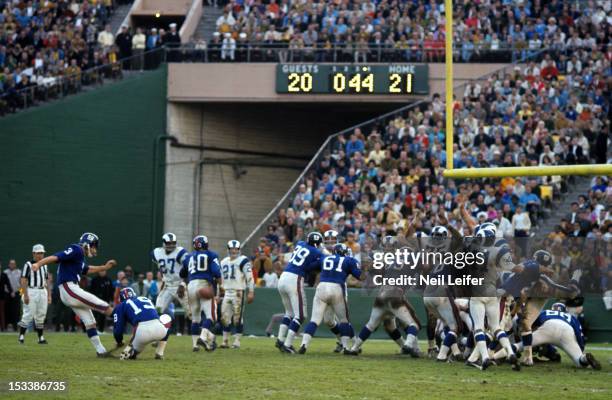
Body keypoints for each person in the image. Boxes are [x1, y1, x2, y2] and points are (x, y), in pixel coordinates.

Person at [31, 233, 116, 357]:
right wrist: (39, 264)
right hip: (69, 288)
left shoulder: (79, 256)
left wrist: (104, 267)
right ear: (88, 244)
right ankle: (133, 323)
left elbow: (86, 270)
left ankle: (101, 351)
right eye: (94, 246)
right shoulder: (76, 249)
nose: (95, 249)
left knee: (90, 321)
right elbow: (56, 257)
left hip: (69, 289)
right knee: (103, 306)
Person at [296, 244, 362, 354]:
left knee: (315, 320)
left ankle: (304, 345)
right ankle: (345, 348)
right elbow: (359, 276)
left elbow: (309, 267)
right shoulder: (349, 260)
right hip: (337, 287)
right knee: (344, 321)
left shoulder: (324, 258)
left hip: (322, 287)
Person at [277, 231, 323, 352]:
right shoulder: (316, 251)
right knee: (301, 315)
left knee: (289, 313)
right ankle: (287, 344)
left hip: (283, 276)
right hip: (294, 278)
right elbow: (320, 262)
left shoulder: (300, 243)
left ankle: (280, 339)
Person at [182, 235, 222, 352]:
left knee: (195, 318)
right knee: (211, 316)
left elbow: (182, 274)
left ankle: (195, 345)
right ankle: (203, 337)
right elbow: (216, 272)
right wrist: (221, 286)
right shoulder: (211, 255)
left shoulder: (188, 257)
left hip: (190, 286)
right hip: (204, 284)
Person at [113, 287, 171, 360]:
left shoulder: (121, 306)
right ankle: (159, 353)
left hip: (142, 333)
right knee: (167, 322)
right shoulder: (144, 298)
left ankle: (131, 352)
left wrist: (119, 341)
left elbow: (118, 329)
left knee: (132, 354)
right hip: (159, 329)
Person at [219, 240, 255, 349]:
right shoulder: (224, 261)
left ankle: (237, 341)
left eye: (236, 249)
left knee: (237, 318)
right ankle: (225, 341)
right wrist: (219, 291)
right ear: (228, 250)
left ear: (239, 250)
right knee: (225, 317)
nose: (234, 251)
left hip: (239, 291)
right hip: (227, 291)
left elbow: (249, 277)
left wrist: (251, 291)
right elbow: (220, 278)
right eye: (232, 249)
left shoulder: (243, 260)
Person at [151, 233, 190, 319]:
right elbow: (162, 268)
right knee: (158, 310)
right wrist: (164, 280)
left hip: (180, 284)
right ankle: (159, 331)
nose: (171, 245)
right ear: (164, 243)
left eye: (173, 243)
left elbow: (188, 269)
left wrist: (183, 284)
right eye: (169, 243)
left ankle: (201, 331)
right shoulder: (157, 253)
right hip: (168, 286)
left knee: (191, 312)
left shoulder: (180, 252)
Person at [18, 244, 50, 344]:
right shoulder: (28, 264)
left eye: (42, 253)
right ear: (33, 253)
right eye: (38, 253)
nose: (40, 255)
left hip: (42, 290)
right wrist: (25, 294)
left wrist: (49, 294)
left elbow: (46, 280)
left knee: (41, 314)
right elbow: (23, 279)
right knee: (28, 313)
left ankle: (40, 338)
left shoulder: (44, 265)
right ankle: (21, 336)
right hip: (31, 290)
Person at [4, 259, 21, 331]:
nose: (12, 265)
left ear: (15, 265)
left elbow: (22, 284)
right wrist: (9, 292)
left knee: (16, 311)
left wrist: (20, 293)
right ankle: (5, 326)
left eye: (13, 264)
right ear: (9, 264)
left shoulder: (19, 272)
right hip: (7, 294)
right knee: (7, 310)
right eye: (11, 264)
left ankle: (15, 326)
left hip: (17, 294)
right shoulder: (5, 272)